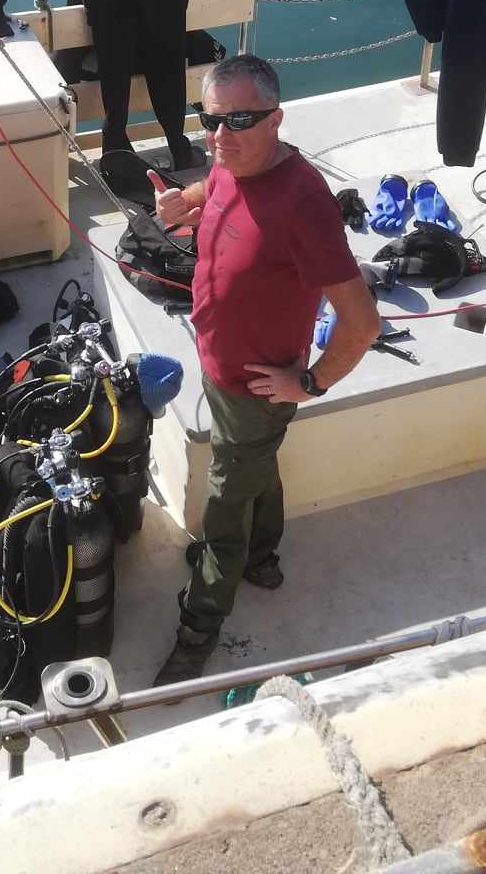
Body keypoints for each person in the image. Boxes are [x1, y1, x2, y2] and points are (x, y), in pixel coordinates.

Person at [149, 55, 380, 685]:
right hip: (221, 368)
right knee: (255, 459)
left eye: (241, 120)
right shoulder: (232, 161)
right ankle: (264, 555)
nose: (221, 136)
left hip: (258, 386)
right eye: (211, 119)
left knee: (224, 506)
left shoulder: (304, 204)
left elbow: (362, 324)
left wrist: (308, 384)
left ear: (276, 119)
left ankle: (199, 630)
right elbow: (212, 189)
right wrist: (181, 205)